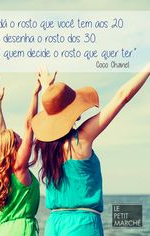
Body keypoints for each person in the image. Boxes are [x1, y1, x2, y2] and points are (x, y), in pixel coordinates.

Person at [32, 64, 150, 236]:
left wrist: (47, 88)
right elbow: (122, 97)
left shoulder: (46, 146)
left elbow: (54, 115)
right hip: (83, 224)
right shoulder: (82, 138)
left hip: (54, 224)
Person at [0, 68, 42, 236]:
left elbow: (0, 136)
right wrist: (35, 93)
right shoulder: (19, 169)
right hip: (21, 231)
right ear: (13, 148)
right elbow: (30, 125)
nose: (23, 140)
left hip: (1, 231)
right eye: (19, 139)